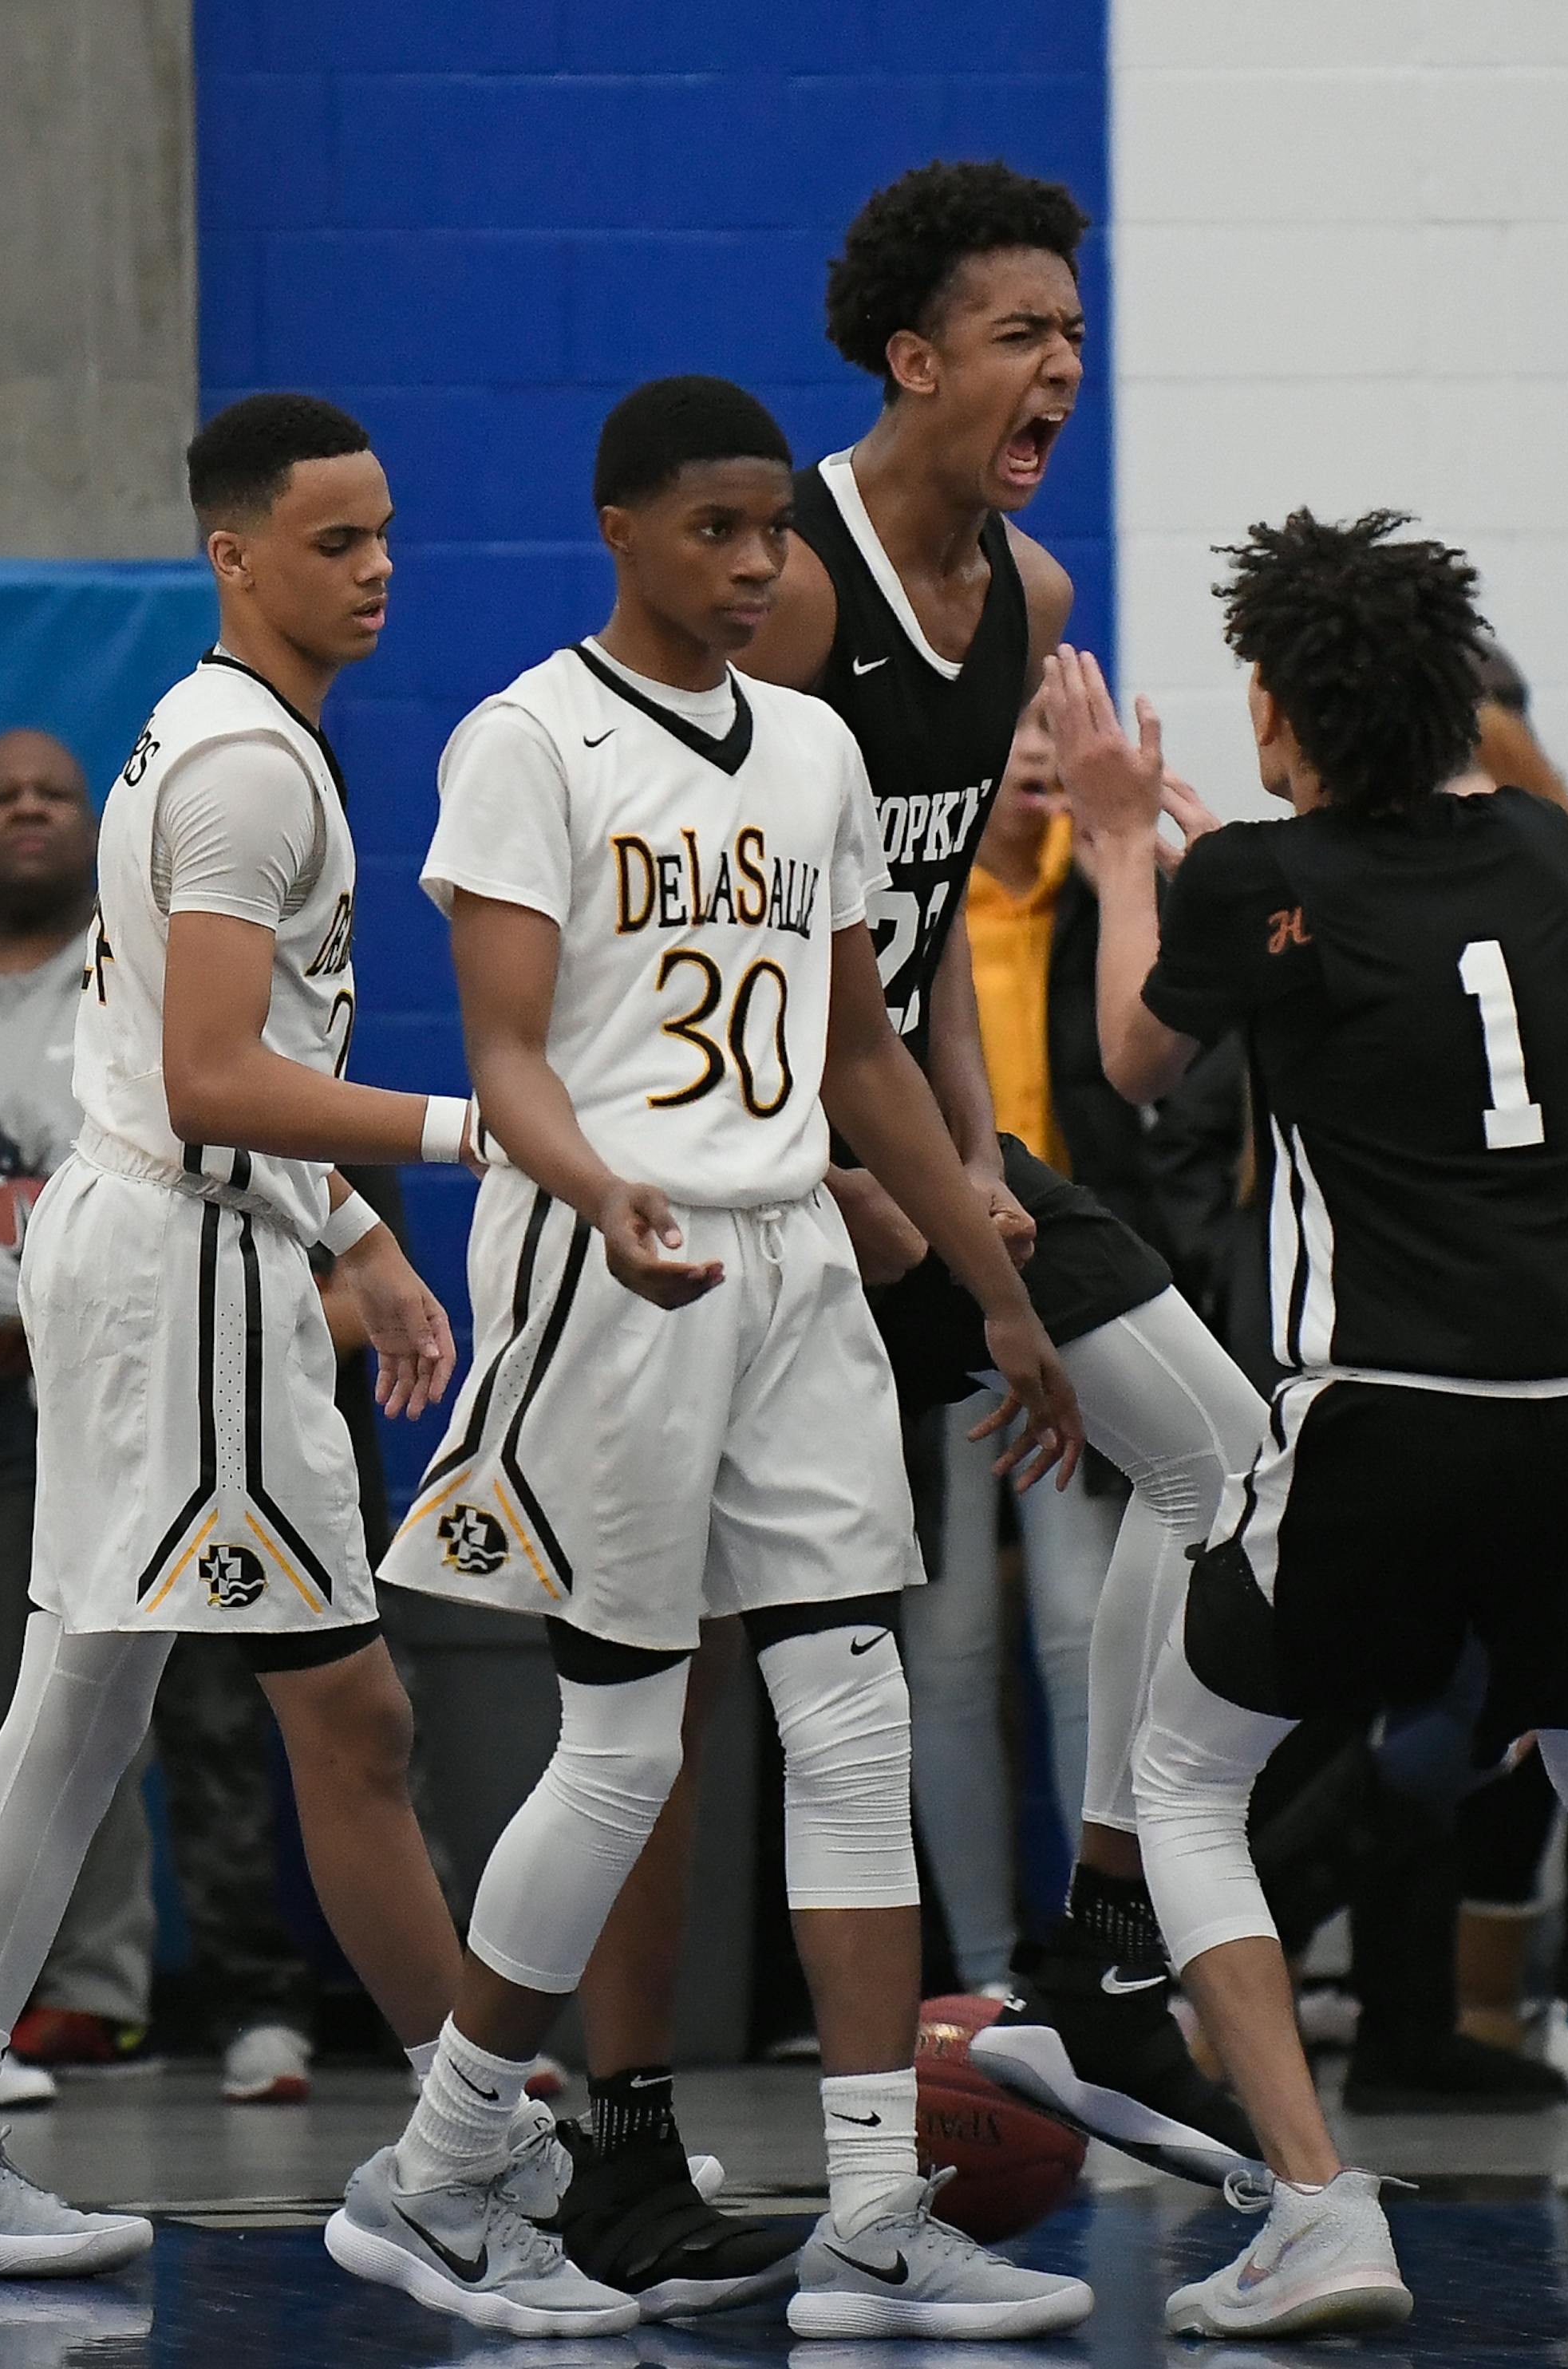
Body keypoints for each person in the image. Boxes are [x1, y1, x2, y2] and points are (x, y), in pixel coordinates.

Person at [339, 375, 1093, 2344]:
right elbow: (503, 1049)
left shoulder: (819, 751)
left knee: (850, 1724)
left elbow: (860, 1048)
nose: (760, 563)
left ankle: (866, 2217)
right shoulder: (532, 739)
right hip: (616, 1261)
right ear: (623, 532)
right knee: (620, 1751)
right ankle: (434, 2171)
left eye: (775, 530)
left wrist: (999, 1294)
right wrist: (599, 1195)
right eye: (718, 532)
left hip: (789, 1268)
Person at [1054, 507, 1568, 2338]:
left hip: (1381, 1413)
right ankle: (1314, 2199)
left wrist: (1114, 848)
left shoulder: (1252, 879)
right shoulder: (1545, 852)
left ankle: (1321, 2208)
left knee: (1185, 1781)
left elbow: (1137, 1059)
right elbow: (1427, 851)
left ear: (1282, 706)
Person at [736, 160, 1264, 2185]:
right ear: (914, 355)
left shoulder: (1031, 598)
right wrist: (886, 1191)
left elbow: (926, 923)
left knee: (1227, 1459)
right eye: (1023, 330)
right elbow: (742, 934)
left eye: (1075, 326)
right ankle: (532, 2125)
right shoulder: (785, 581)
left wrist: (971, 1162)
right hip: (758, 1160)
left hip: (915, 1133)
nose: (1064, 361)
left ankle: (1103, 1946)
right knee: (733, 1685)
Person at [0, 391, 477, 2277]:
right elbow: (210, 1073)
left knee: (77, 1711)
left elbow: (210, 1064)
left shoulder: (219, 732)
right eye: (336, 543)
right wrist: (480, 1137)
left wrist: (365, 1241)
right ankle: (468, 2171)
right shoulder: (250, 767)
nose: (380, 570)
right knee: (352, 1713)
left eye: (388, 533)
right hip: (183, 1275)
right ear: (234, 556)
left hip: (175, 1244)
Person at [907, 699, 1131, 1984]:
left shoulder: (1096, 903)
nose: (1040, 779)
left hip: (1071, 1290)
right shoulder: (920, 913)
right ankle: (987, 1968)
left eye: (1055, 763)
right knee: (946, 1644)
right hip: (933, 1294)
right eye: (1020, 762)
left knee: (1078, 1623)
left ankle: (1097, 1964)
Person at [0, 736, 156, 2099]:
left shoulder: (128, 973)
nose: (28, 809)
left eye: (53, 792)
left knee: (96, 1680)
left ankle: (87, 1986)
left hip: (93, 1370)